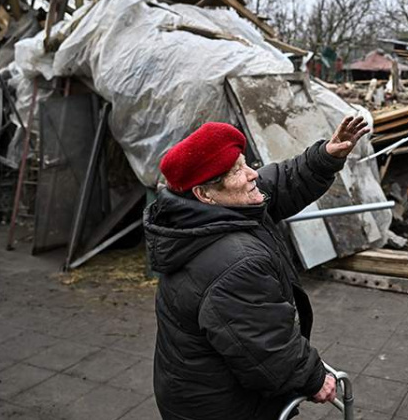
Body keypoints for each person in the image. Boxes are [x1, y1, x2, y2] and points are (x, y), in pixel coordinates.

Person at [144, 117, 369, 420]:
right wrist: (312, 377)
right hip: (220, 406)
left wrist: (326, 155)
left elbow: (282, 180)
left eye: (244, 162)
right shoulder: (236, 264)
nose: (252, 174)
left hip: (194, 384)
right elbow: (264, 344)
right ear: (204, 194)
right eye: (237, 170)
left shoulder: (207, 210)